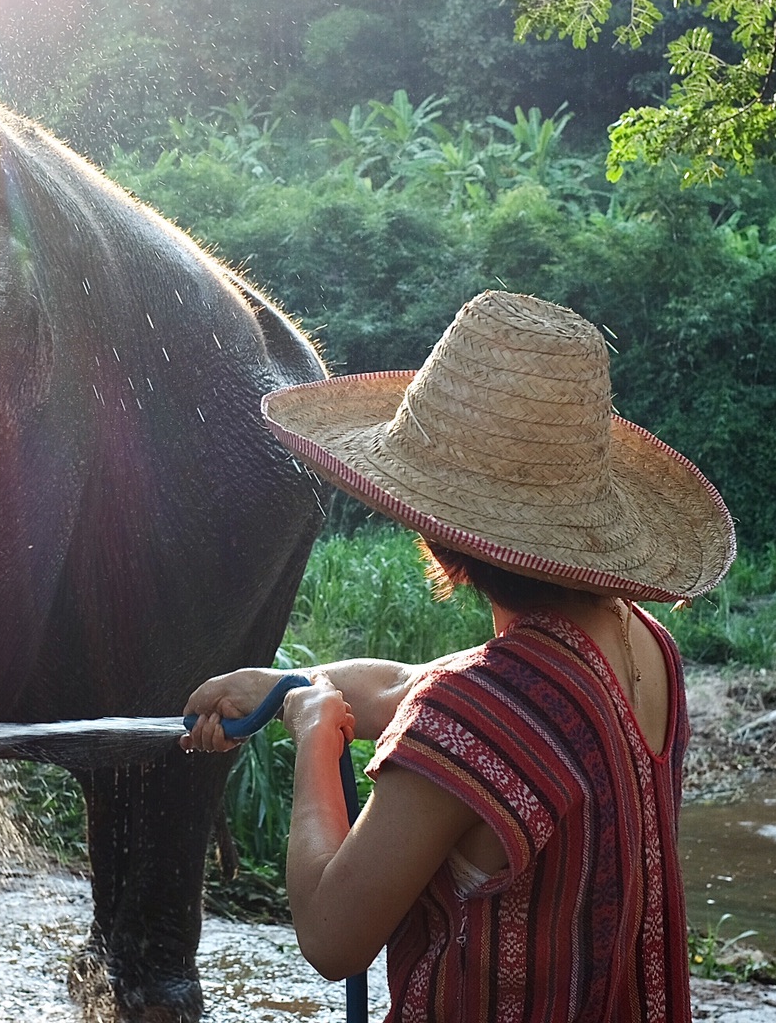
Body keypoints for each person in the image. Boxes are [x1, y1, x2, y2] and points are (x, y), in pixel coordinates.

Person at [183, 292, 735, 1023]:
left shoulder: (476, 713)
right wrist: (288, 684)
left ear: (436, 535)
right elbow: (421, 686)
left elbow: (331, 935)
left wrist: (317, 737)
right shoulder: (640, 644)